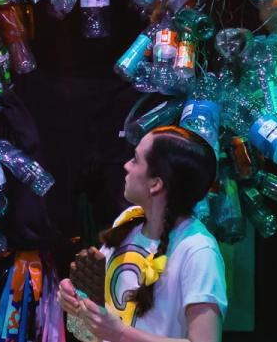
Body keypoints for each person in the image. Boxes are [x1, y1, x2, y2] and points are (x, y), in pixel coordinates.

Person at [58, 126, 226, 342]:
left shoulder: (198, 251)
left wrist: (119, 333)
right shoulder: (128, 222)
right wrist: (77, 302)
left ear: (156, 183)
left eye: (136, 160)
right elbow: (95, 327)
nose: (126, 166)